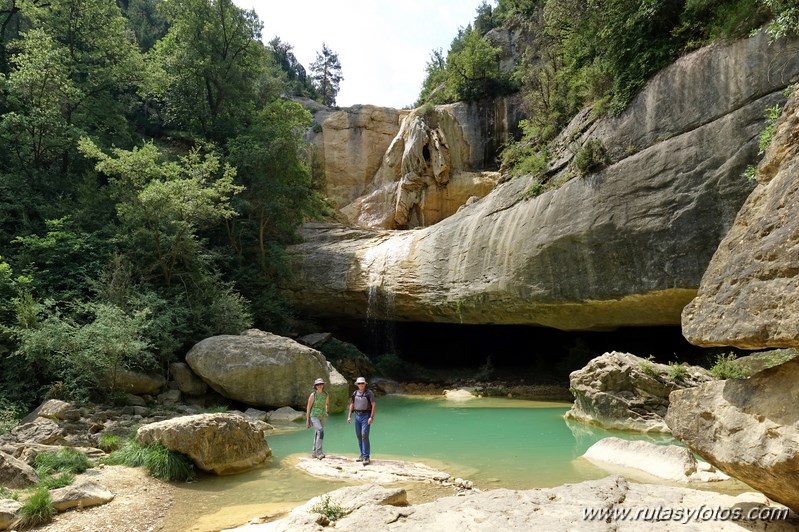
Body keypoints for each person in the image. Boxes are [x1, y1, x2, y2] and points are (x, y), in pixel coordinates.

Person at [347, 376, 376, 465]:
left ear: (365, 384)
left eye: (362, 383)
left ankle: (366, 456)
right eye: (359, 383)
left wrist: (371, 417)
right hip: (357, 416)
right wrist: (349, 416)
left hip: (366, 416)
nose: (361, 385)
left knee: (364, 434)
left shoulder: (369, 393)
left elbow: (373, 405)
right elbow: (352, 404)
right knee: (359, 435)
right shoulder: (355, 393)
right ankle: (362, 455)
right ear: (357, 384)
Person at [306, 377, 329, 459]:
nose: (319, 386)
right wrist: (308, 420)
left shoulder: (326, 394)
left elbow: (327, 404)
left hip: (322, 416)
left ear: (323, 385)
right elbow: (308, 407)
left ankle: (314, 452)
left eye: (321, 384)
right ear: (315, 386)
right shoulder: (313, 395)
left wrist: (327, 411)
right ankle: (319, 452)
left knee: (317, 433)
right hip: (314, 416)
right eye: (318, 384)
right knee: (320, 431)